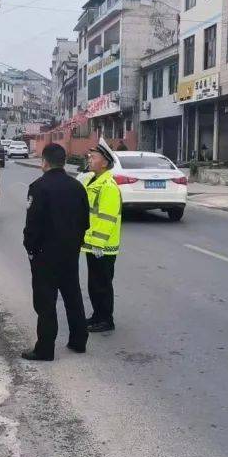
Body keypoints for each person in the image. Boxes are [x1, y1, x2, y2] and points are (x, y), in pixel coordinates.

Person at [22, 143, 90, 361]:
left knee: (45, 302)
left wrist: (31, 250)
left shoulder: (38, 187)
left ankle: (45, 348)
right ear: (64, 161)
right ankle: (79, 341)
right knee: (73, 296)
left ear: (44, 162)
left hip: (45, 255)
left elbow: (32, 226)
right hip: (70, 253)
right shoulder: (77, 187)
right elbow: (85, 222)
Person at [81, 139, 122, 332]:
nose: (90, 159)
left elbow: (107, 218)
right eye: (89, 156)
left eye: (94, 156)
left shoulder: (108, 186)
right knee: (94, 284)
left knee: (102, 284)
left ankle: (106, 320)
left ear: (104, 162)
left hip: (103, 247)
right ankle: (97, 315)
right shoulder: (93, 181)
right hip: (92, 244)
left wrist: (98, 243)